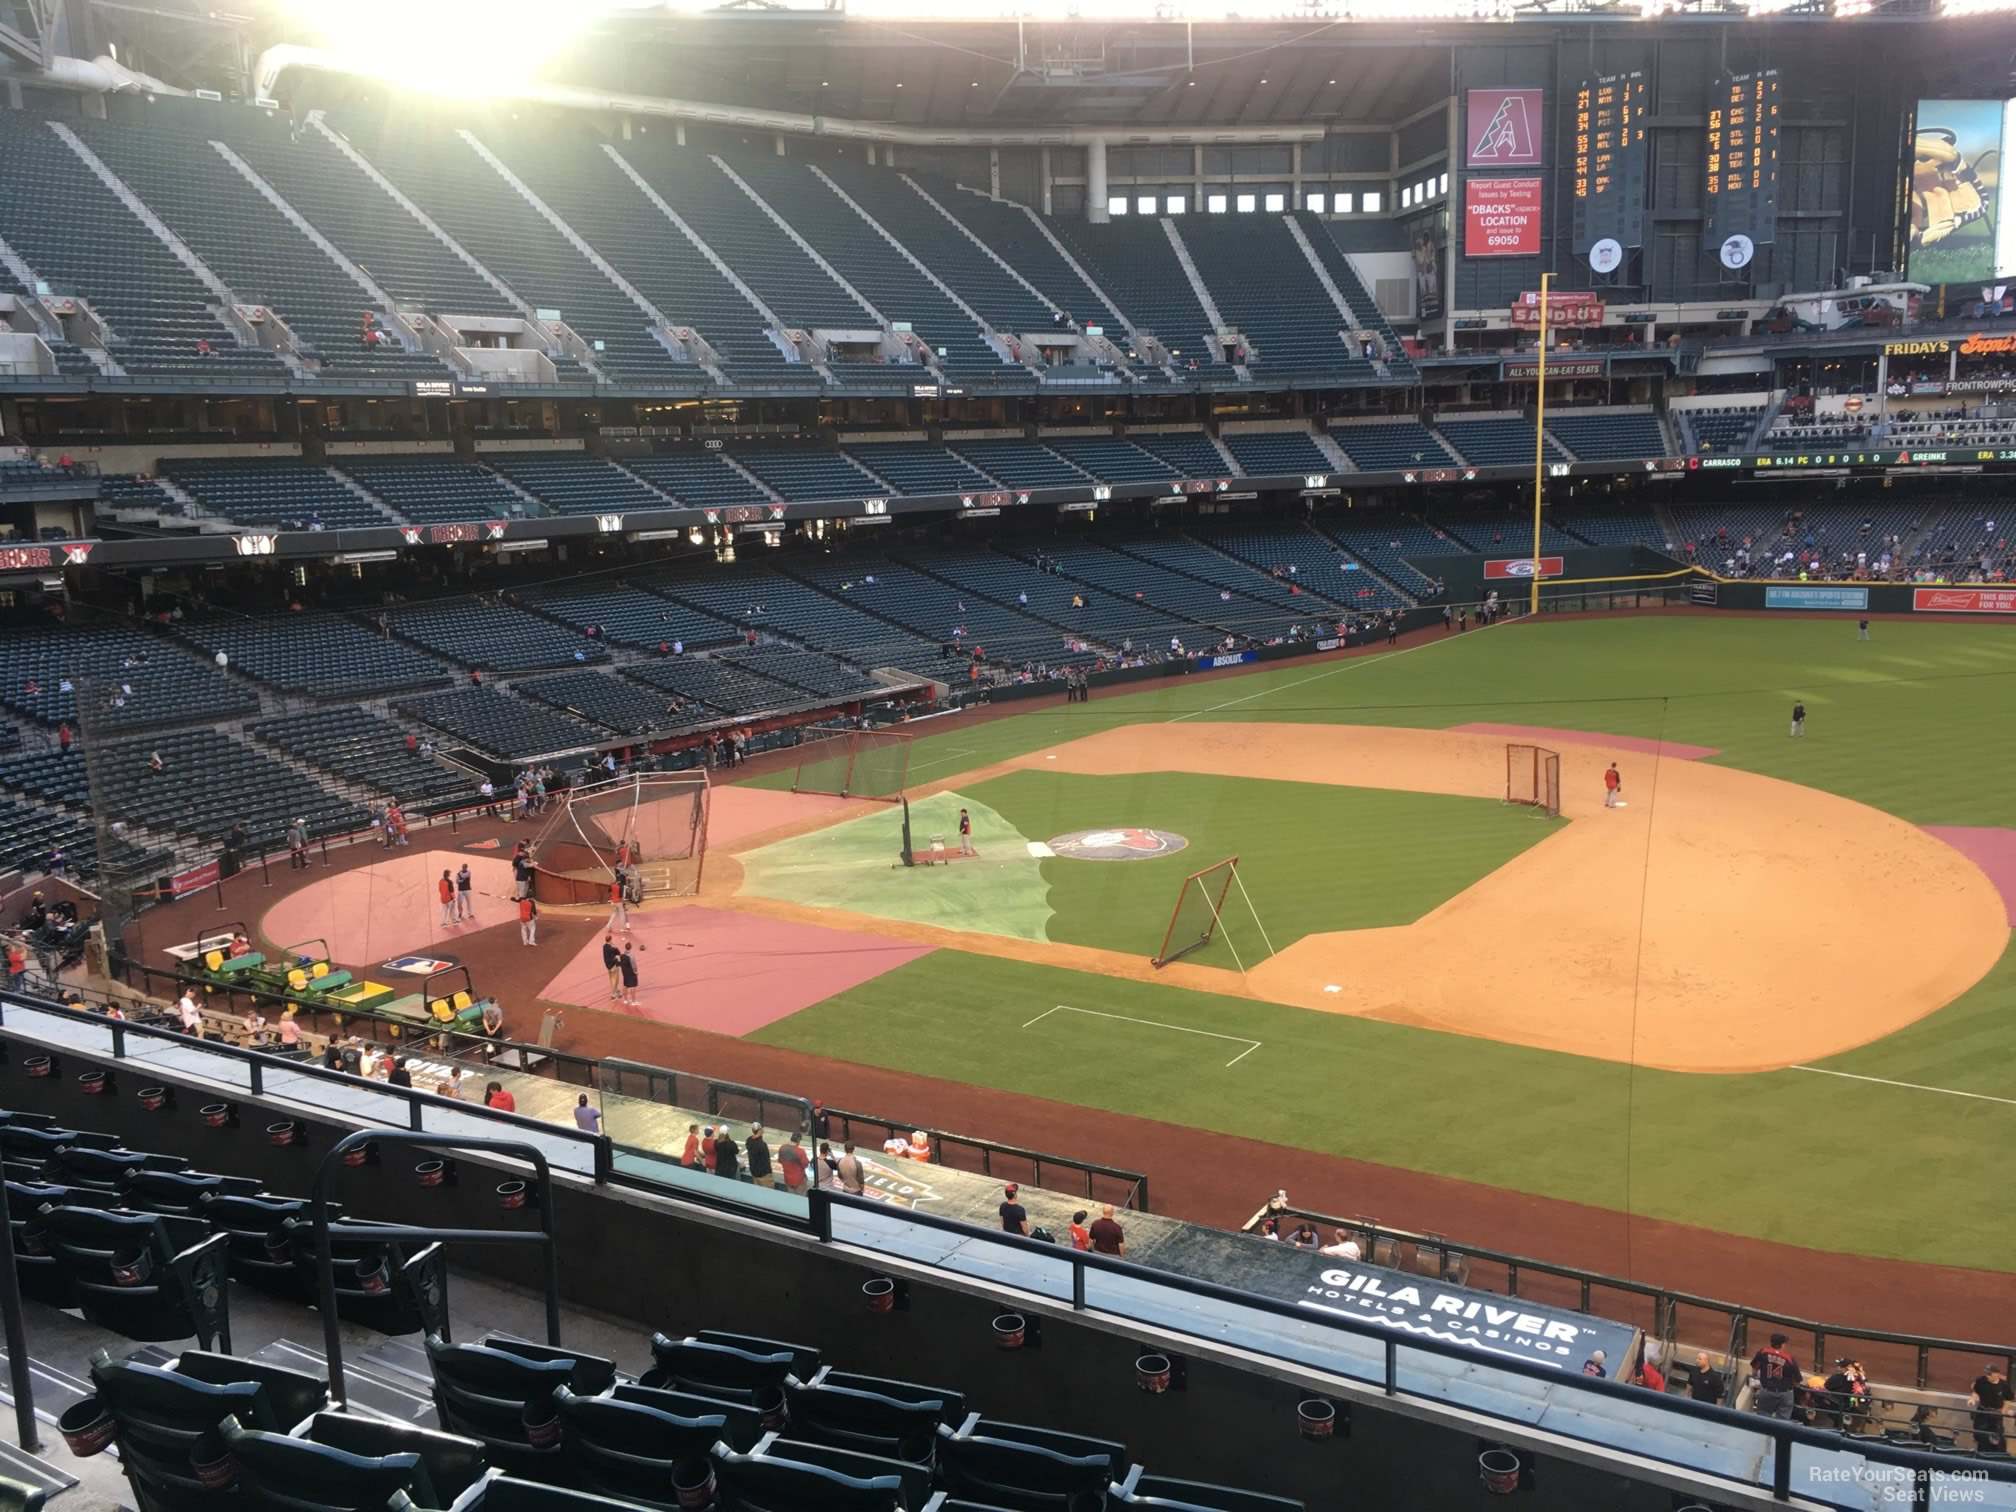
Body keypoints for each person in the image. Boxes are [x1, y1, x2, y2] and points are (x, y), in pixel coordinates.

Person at [1751, 1332, 1802, 1420]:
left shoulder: (1763, 1352)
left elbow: (1754, 1371)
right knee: (1783, 1420)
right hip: (1784, 1393)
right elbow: (1797, 1381)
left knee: (1762, 1417)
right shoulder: (1789, 1359)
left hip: (1766, 1391)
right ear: (1782, 1345)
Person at [1972, 1363, 2012, 1453]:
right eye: (1986, 1373)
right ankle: (1981, 1453)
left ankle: (1996, 1454)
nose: (1987, 1376)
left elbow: (2008, 1399)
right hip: (1982, 1412)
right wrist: (1973, 1399)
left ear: (1997, 1374)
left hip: (1996, 1414)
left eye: (1989, 1374)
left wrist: (2003, 1411)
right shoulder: (1981, 1380)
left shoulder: (2004, 1385)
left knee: (1997, 1437)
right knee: (1979, 1435)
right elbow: (1976, 1391)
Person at [618, 942, 641, 1007]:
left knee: (625, 985)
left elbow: (621, 963)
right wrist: (636, 972)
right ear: (630, 947)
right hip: (631, 972)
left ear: (625, 947)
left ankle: (625, 1000)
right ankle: (634, 1001)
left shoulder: (622, 954)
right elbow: (634, 965)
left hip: (624, 972)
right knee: (632, 986)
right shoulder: (631, 956)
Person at [601, 934, 623, 1000]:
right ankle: (614, 994)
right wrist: (614, 945)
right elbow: (619, 953)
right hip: (613, 966)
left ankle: (615, 991)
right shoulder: (612, 949)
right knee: (615, 980)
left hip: (608, 966)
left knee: (612, 979)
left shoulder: (604, 947)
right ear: (610, 940)